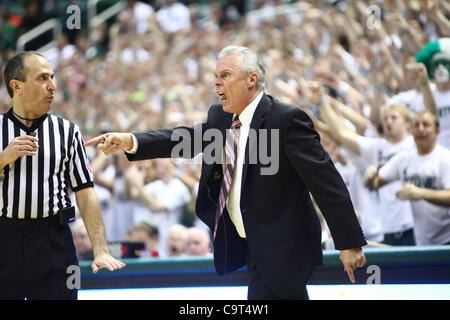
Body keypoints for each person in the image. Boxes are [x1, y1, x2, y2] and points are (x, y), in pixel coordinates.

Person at [85, 45, 366, 300]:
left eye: (226, 75)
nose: (217, 83)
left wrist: (350, 242)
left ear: (251, 80)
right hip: (252, 247)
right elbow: (184, 138)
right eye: (216, 76)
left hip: (285, 248)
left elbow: (326, 181)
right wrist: (131, 141)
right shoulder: (220, 118)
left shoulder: (286, 119)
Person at [0, 52, 125, 300]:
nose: (53, 86)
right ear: (17, 86)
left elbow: (86, 193)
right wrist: (3, 158)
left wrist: (100, 249)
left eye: (53, 77)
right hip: (4, 238)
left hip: (53, 240)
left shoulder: (67, 131)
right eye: (43, 78)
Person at [319, 95, 416, 246]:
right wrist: (321, 102)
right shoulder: (378, 148)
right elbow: (342, 134)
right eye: (385, 119)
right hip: (388, 228)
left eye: (394, 118)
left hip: (413, 225)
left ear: (408, 123)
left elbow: (358, 126)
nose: (388, 121)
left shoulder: (415, 145)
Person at [364, 111, 450, 245]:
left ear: (437, 130)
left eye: (426, 125)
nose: (421, 129)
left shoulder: (445, 158)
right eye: (416, 125)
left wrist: (421, 193)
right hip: (420, 241)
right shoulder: (404, 159)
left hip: (446, 240)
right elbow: (373, 185)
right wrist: (369, 177)